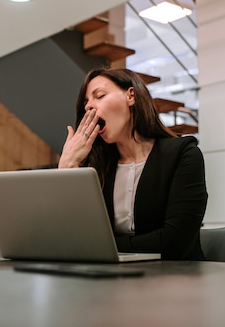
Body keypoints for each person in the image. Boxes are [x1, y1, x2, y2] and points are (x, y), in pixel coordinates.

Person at [59, 68, 208, 260]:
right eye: (86, 102)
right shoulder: (95, 167)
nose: (89, 107)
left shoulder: (183, 153)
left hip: (176, 278)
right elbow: (68, 236)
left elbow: (175, 241)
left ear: (131, 96)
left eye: (100, 95)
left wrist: (104, 246)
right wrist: (67, 166)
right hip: (108, 280)